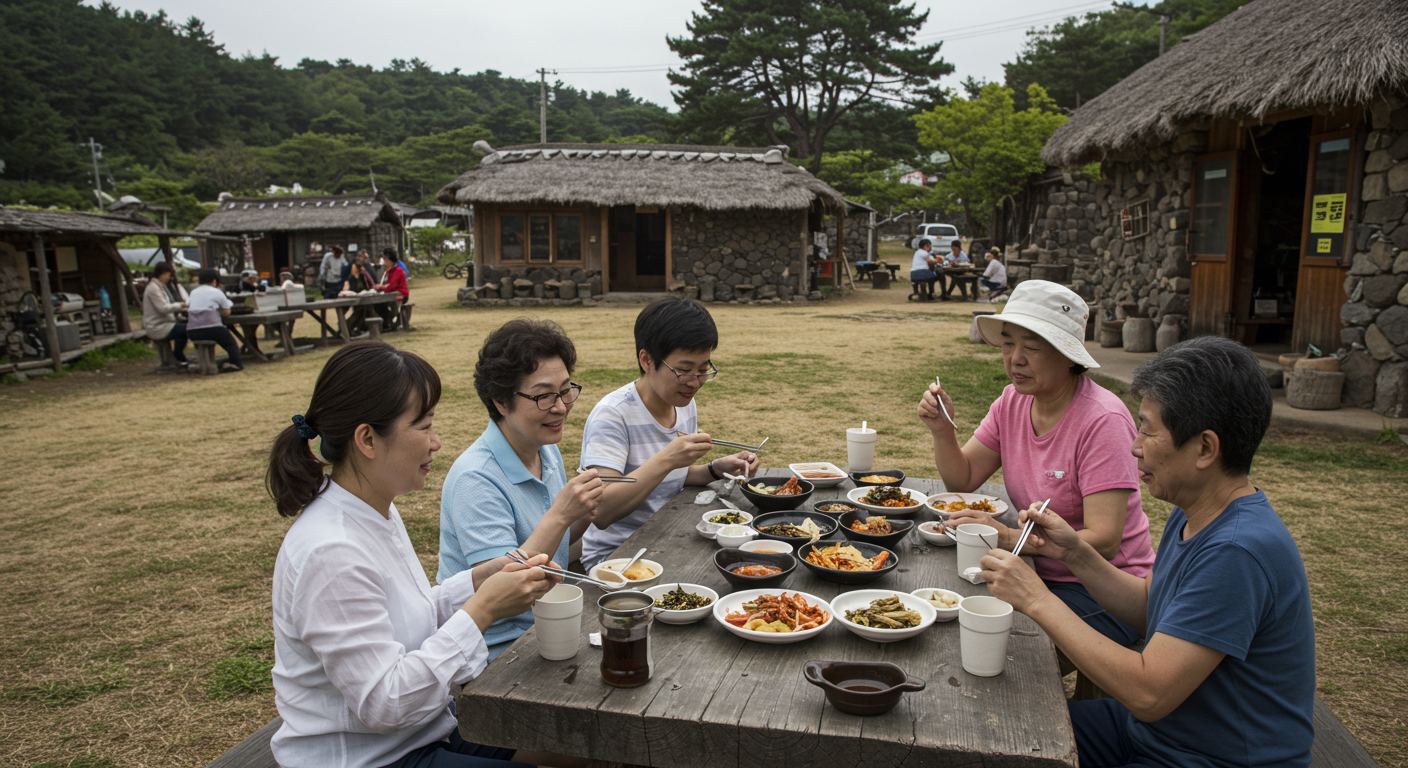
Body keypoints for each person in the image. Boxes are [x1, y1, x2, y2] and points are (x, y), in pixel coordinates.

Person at [979, 336, 1314, 768]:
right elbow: (1147, 607)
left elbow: (1148, 693)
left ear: (1205, 448)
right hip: (1158, 734)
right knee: (1000, 735)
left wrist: (1037, 599)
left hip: (1210, 757)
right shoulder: (1195, 510)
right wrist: (1075, 553)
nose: (1135, 446)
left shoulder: (1238, 551)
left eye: (1148, 428)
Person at [265, 341, 572, 768]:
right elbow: (384, 703)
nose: (437, 443)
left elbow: (408, 616)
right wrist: (481, 610)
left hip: (424, 729)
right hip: (369, 757)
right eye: (424, 426)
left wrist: (478, 580)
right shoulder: (330, 550)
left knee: (577, 744)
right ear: (368, 439)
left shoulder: (374, 509)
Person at [918, 280, 1154, 644]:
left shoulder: (1102, 419)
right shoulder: (1012, 401)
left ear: (1069, 355)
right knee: (942, 607)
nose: (1016, 358)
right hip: (1032, 570)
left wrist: (1010, 537)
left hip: (1103, 589)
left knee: (995, 639)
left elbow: (1105, 541)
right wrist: (942, 431)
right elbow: (962, 480)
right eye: (1008, 343)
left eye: (1032, 347)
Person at [439, 319, 603, 659]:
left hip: (546, 624)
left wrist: (582, 513)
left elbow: (556, 548)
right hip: (494, 649)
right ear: (500, 401)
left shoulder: (545, 450)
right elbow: (508, 589)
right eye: (543, 395)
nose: (560, 406)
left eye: (565, 390)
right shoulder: (476, 478)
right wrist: (560, 515)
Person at [578, 297, 760, 570]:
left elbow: (669, 477)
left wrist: (714, 469)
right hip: (618, 557)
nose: (695, 382)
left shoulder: (682, 401)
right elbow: (601, 511)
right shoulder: (613, 415)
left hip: (667, 534)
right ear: (647, 360)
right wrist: (667, 458)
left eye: (704, 369)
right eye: (684, 370)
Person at [186, 268, 243, 372]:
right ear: (214, 281)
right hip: (212, 327)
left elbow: (187, 306)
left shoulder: (193, 292)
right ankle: (236, 363)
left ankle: (204, 363)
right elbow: (227, 311)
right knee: (230, 344)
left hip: (193, 330)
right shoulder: (216, 291)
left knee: (207, 340)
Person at [142, 261, 189, 367]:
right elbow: (163, 308)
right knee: (188, 329)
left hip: (165, 323)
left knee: (186, 328)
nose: (169, 277)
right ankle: (178, 354)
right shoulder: (153, 288)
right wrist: (181, 306)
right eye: (168, 275)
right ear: (162, 274)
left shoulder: (159, 286)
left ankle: (178, 355)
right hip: (158, 326)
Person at [374, 249, 408, 330]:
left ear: (390, 261)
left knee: (383, 304)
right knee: (378, 305)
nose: (384, 263)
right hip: (392, 294)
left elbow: (392, 286)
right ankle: (385, 323)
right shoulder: (389, 271)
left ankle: (389, 323)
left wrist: (382, 288)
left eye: (386, 260)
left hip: (401, 294)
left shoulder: (397, 270)